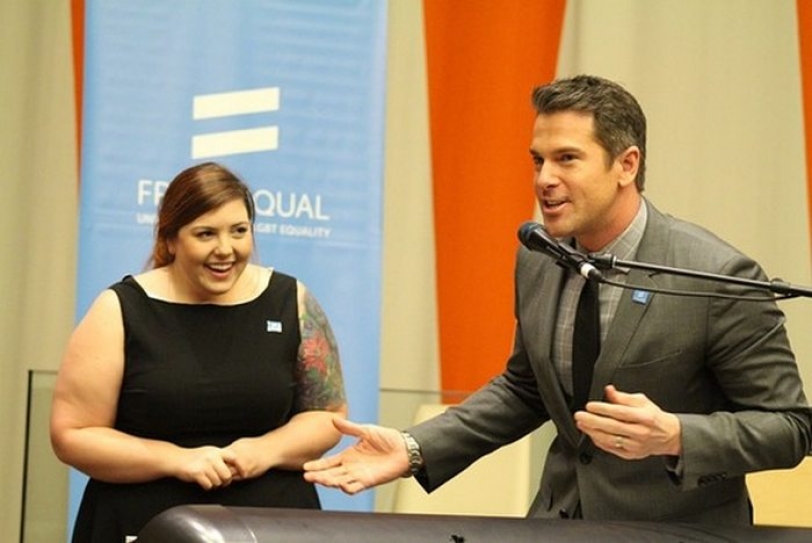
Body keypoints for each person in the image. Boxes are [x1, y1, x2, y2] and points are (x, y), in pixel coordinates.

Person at [304, 75, 812, 524]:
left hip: (676, 530)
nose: (544, 179)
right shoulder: (539, 257)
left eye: (567, 158)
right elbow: (526, 389)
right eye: (538, 160)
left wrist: (677, 435)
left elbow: (790, 428)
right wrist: (415, 448)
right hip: (560, 520)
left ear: (626, 164)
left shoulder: (717, 275)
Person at [50, 161, 348, 542]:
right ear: (170, 239)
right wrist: (177, 460)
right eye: (205, 234)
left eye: (239, 231)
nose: (225, 249)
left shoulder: (292, 300)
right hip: (144, 524)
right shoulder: (119, 309)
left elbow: (328, 414)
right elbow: (73, 434)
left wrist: (264, 451)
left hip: (274, 525)